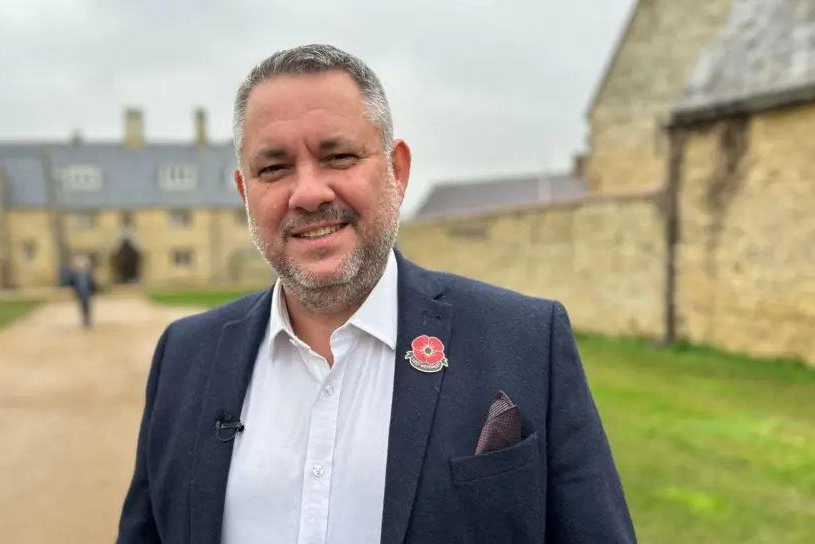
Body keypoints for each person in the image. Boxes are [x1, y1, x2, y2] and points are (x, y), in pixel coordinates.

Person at [117, 44, 635, 543]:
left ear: (397, 170)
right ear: (244, 192)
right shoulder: (183, 357)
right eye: (273, 168)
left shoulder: (524, 342)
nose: (309, 193)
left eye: (338, 156)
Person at [69, 254, 95, 328]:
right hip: (80, 293)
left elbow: (92, 284)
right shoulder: (76, 276)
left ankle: (88, 320)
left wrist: (92, 291)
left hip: (87, 293)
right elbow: (73, 284)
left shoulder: (87, 275)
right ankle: (84, 320)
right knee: (82, 306)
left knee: (87, 306)